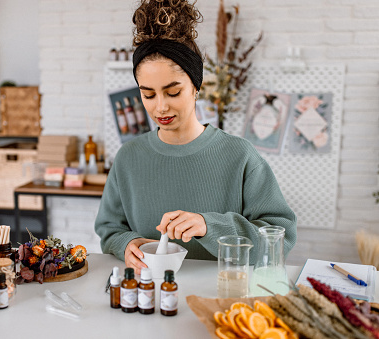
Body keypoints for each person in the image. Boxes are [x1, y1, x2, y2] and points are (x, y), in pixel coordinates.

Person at [94, 0, 296, 274]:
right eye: (148, 94)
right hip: (149, 298)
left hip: (221, 300)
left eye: (173, 92)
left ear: (196, 86)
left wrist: (209, 226)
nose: (160, 107)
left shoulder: (239, 155)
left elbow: (280, 238)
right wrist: (128, 243)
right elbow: (109, 229)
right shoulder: (129, 157)